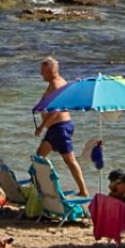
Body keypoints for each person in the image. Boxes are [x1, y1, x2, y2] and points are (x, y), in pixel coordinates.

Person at [32, 57, 89, 196]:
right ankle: (39, 187)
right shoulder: (53, 83)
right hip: (56, 128)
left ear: (51, 70)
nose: (41, 74)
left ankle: (83, 190)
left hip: (60, 127)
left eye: (43, 71)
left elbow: (58, 109)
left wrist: (42, 126)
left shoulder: (57, 84)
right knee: (39, 157)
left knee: (69, 160)